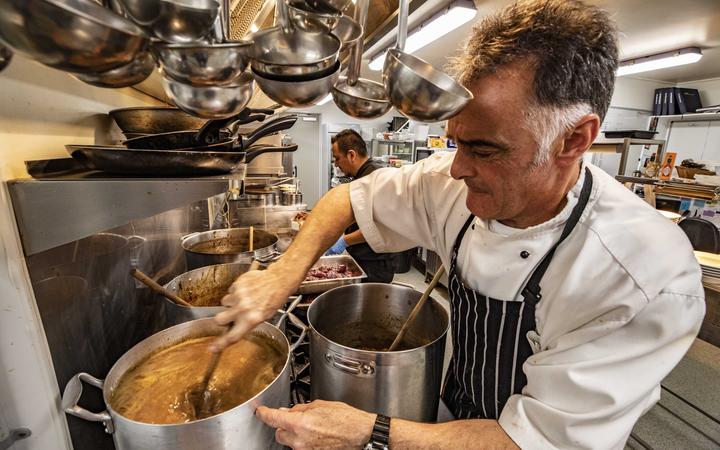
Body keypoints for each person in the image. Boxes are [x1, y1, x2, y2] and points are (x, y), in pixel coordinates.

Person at [212, 0, 706, 448]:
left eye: (484, 149)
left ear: (574, 140)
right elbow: (347, 199)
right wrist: (283, 275)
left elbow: (536, 441)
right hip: (450, 423)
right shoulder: (454, 186)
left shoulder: (642, 273)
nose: (456, 168)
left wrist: (370, 430)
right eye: (456, 142)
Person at [326, 129, 405, 282]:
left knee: (370, 303)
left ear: (351, 155)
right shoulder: (361, 175)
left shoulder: (376, 177)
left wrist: (344, 240)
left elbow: (381, 226)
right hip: (364, 256)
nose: (336, 164)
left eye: (337, 158)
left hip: (376, 262)